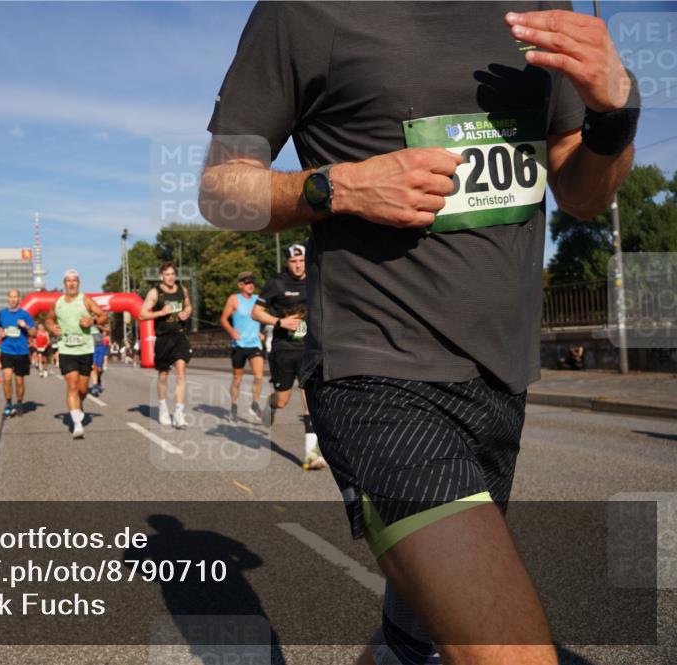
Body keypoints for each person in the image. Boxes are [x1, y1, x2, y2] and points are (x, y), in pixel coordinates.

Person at [200, 4, 638, 663]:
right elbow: (219, 188)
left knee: (416, 640)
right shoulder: (304, 12)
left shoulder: (541, 8)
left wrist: (615, 115)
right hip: (376, 370)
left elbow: (580, 192)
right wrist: (337, 186)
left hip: (501, 377)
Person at [252, 243, 325, 470]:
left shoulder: (315, 277)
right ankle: (271, 405)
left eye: (301, 260)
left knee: (309, 401)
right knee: (282, 401)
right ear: (287, 262)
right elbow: (255, 312)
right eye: (293, 261)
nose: (297, 265)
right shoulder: (276, 283)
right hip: (283, 350)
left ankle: (311, 455)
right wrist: (279, 322)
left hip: (309, 349)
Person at [45, 269, 108, 439]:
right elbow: (49, 319)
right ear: (64, 283)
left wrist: (93, 321)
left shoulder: (86, 300)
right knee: (72, 385)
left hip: (85, 349)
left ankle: (78, 406)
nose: (71, 283)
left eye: (74, 281)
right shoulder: (57, 303)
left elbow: (104, 316)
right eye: (68, 281)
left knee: (82, 389)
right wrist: (51, 327)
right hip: (66, 349)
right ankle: (77, 424)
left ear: (78, 283)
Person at [140, 262, 193, 428]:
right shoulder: (155, 292)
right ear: (161, 276)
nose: (170, 277)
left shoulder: (182, 290)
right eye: (167, 274)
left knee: (181, 373)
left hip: (179, 336)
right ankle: (163, 407)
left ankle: (179, 412)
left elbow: (188, 305)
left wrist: (187, 312)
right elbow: (142, 315)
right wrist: (161, 312)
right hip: (163, 338)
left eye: (172, 274)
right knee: (163, 375)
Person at [220, 271, 264, 423]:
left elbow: (261, 317)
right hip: (239, 345)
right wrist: (231, 331)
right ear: (240, 285)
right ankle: (233, 406)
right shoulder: (234, 299)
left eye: (252, 281)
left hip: (254, 344)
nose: (250, 284)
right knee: (237, 380)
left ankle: (255, 403)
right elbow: (224, 319)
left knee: (258, 376)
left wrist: (261, 333)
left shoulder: (258, 299)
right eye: (246, 282)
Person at [0, 289, 35, 417]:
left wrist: (26, 326)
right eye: (11, 297)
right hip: (6, 350)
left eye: (15, 297)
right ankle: (8, 403)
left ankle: (19, 403)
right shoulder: (2, 314)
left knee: (19, 381)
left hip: (21, 351)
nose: (13, 299)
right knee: (7, 378)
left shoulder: (25, 314)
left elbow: (34, 332)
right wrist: (0, 332)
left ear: (19, 299)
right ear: (8, 298)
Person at [89, 324, 109, 397]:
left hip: (101, 345)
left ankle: (98, 380)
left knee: (99, 369)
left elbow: (107, 330)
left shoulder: (100, 320)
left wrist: (100, 326)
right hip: (91, 346)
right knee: (93, 366)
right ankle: (95, 386)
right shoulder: (85, 317)